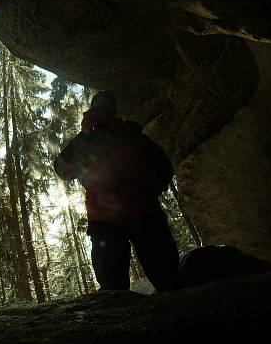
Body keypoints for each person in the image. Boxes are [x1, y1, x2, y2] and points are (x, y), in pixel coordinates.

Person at [54, 91, 180, 291]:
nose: (101, 113)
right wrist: (84, 136)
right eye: (98, 108)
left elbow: (163, 167)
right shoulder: (89, 141)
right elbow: (63, 170)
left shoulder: (132, 135)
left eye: (105, 108)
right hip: (107, 222)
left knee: (169, 279)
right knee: (113, 290)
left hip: (143, 216)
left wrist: (146, 192)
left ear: (113, 112)